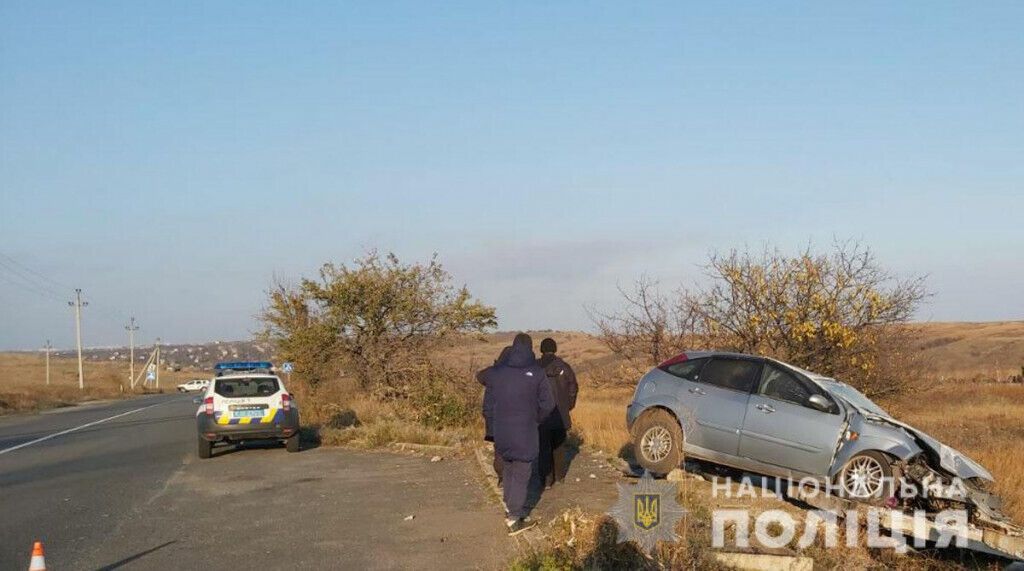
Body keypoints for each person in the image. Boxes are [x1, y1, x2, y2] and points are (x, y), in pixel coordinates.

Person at [479, 333, 555, 535]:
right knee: (522, 473)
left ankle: (509, 506)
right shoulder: (537, 373)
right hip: (525, 432)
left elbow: (484, 390)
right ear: (531, 349)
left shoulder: (497, 373)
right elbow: (549, 404)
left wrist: (493, 426)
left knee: (509, 468)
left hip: (502, 432)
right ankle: (514, 518)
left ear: (512, 348)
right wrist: (536, 418)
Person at [537, 337, 578, 487]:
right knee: (559, 447)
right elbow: (573, 388)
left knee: (543, 448)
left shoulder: (535, 368)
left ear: (541, 350)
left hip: (541, 416)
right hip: (561, 415)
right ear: (555, 349)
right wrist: (568, 406)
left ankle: (546, 480)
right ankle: (560, 476)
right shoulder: (565, 367)